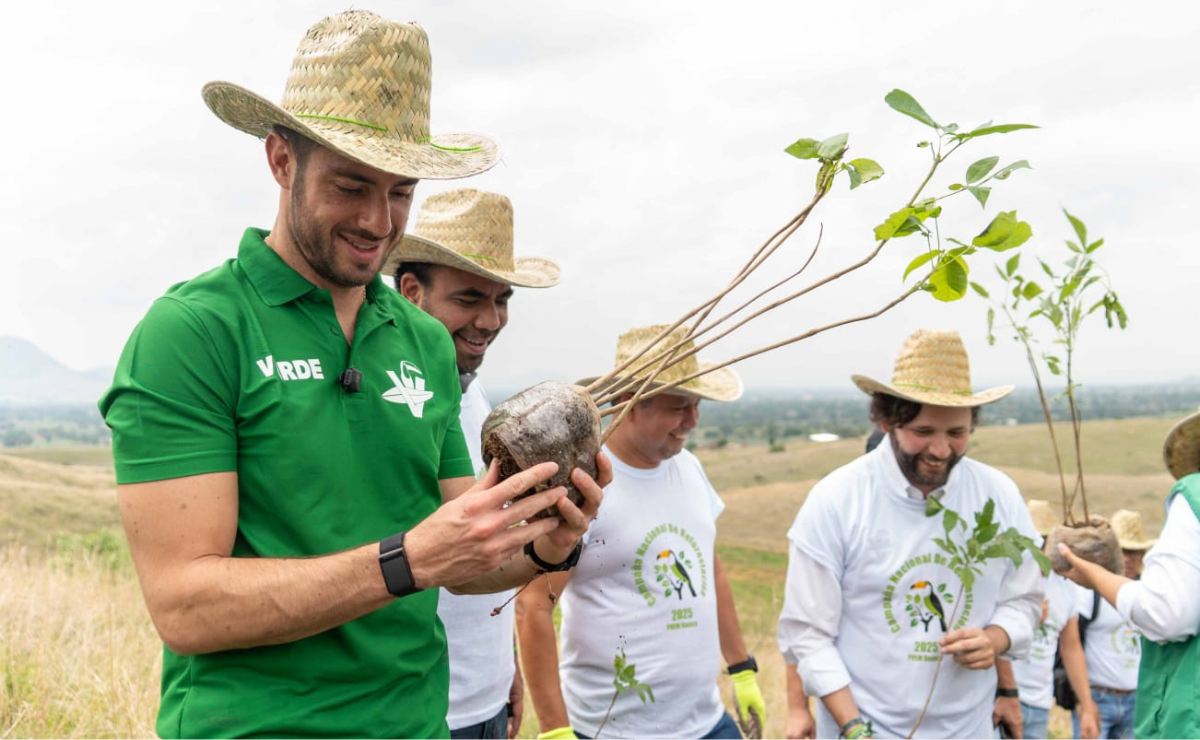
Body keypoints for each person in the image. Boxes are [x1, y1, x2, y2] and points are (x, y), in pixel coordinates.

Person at [98, 12, 607, 739]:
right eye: (350, 185)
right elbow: (186, 607)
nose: (378, 219)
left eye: (400, 191)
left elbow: (462, 560)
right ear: (280, 160)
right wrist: (406, 560)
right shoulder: (194, 332)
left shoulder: (423, 341)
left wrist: (548, 546)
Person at [776, 329, 1044, 739]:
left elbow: (1024, 599)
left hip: (968, 729)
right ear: (887, 420)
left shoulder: (999, 495)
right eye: (923, 432)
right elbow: (809, 636)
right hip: (864, 728)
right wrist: (854, 727)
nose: (940, 450)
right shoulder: (836, 500)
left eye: (957, 433)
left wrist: (996, 637)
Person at [517, 325, 766, 740]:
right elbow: (532, 607)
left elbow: (710, 569)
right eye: (678, 407)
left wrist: (741, 668)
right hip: (612, 731)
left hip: (708, 723)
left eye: (697, 404)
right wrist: (555, 731)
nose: (693, 420)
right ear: (626, 403)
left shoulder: (691, 468)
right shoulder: (585, 485)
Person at [387, 188, 562, 739]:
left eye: (502, 298)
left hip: (483, 697)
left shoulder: (473, 394)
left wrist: (503, 662)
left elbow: (482, 544)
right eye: (468, 299)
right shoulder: (389, 400)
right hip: (418, 710)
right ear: (412, 292)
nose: (490, 320)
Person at [1059, 404, 1200, 739]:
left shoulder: (1194, 494)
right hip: (1102, 696)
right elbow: (1072, 643)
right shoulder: (1085, 602)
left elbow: (1166, 614)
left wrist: (1095, 575)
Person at [1005, 500, 1099, 739]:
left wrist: (1086, 705)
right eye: (1032, 540)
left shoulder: (1065, 588)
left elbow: (1071, 647)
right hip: (1004, 697)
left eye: (1044, 539)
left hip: (1039, 703)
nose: (1038, 547)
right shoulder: (1006, 579)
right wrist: (1026, 621)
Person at [1062, 509, 1157, 739]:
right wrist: (1084, 703)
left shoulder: (1148, 594)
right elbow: (1072, 645)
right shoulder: (1089, 592)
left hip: (1137, 701)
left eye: (1134, 551)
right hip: (1098, 698)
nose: (1127, 558)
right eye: (1122, 550)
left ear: (1143, 555)